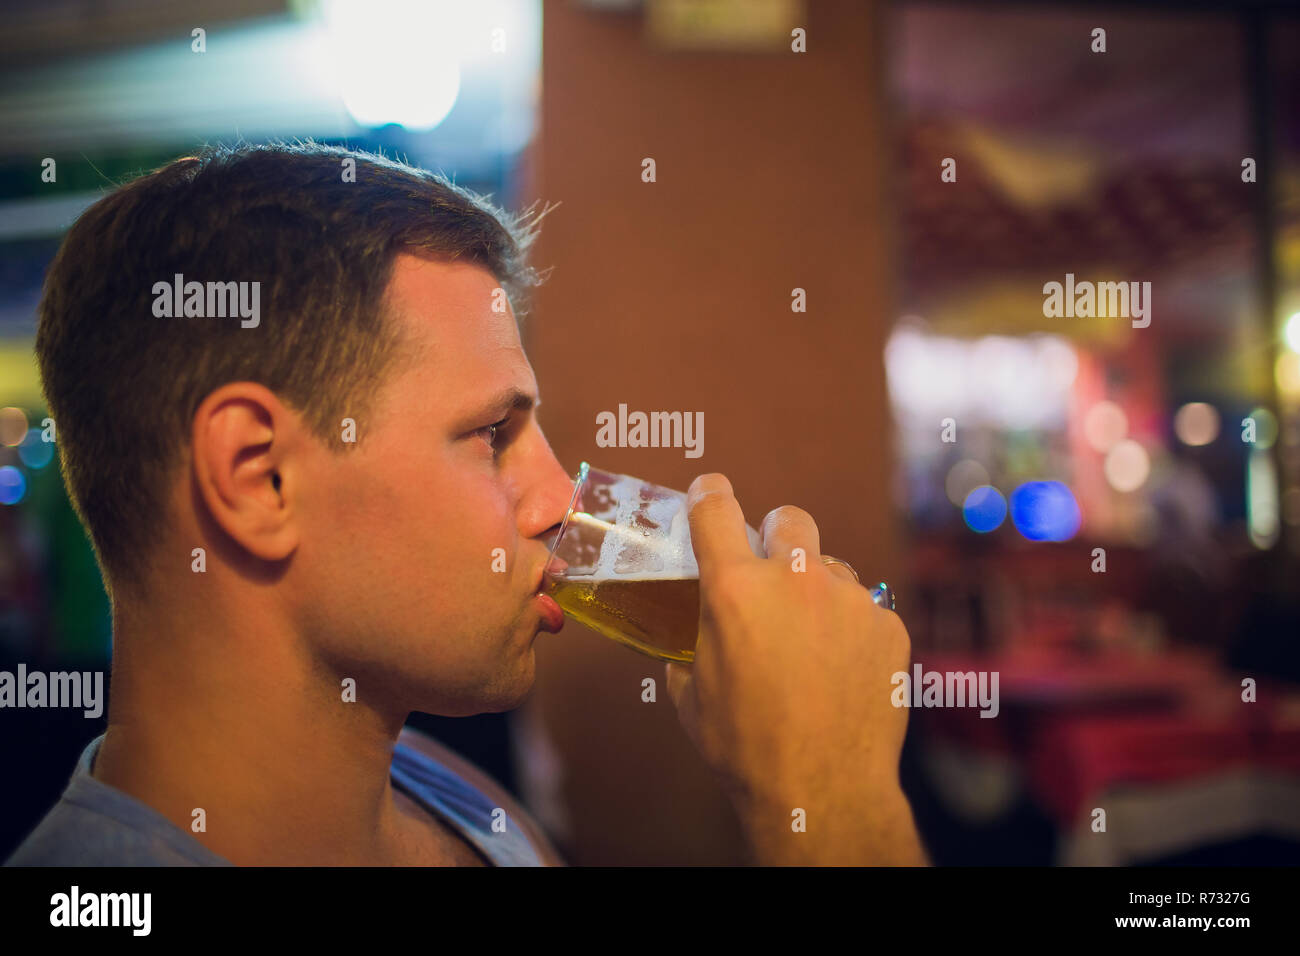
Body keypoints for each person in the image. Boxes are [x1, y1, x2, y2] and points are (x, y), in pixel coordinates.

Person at [5, 143, 926, 867]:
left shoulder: (440, 787)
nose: (563, 498)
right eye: (493, 433)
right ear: (258, 476)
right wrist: (829, 802)